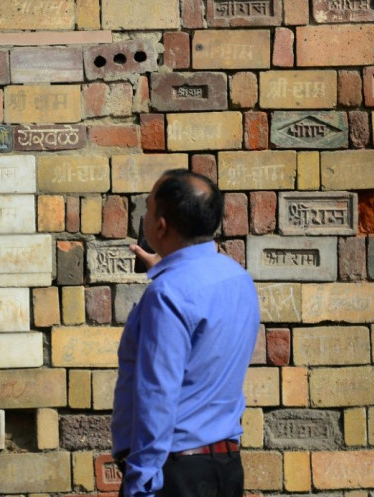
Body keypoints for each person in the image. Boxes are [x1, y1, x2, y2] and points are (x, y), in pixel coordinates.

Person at [111, 169, 261, 497]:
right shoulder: (237, 278)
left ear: (160, 226)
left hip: (173, 475)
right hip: (225, 467)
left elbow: (157, 394)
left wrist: (142, 484)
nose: (146, 216)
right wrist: (167, 266)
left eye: (148, 208)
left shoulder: (168, 295)